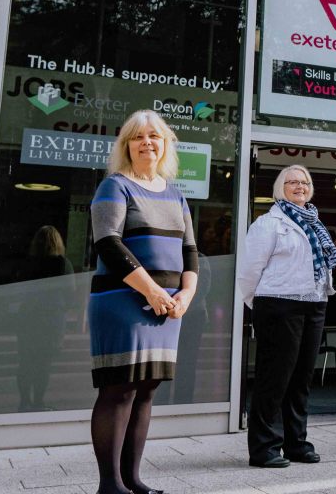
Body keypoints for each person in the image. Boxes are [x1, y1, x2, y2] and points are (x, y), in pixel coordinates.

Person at [89, 110, 198, 494]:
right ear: (126, 146)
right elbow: (107, 243)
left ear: (166, 144)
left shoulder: (176, 192)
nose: (147, 142)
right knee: (119, 390)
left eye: (155, 136)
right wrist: (151, 290)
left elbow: (190, 251)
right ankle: (110, 484)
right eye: (138, 137)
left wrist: (185, 294)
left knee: (146, 391)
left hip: (168, 306)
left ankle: (133, 479)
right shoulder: (114, 186)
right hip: (122, 301)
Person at [238, 164, 336, 468]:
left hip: (314, 303)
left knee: (301, 379)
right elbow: (248, 272)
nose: (300, 186)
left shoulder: (314, 221)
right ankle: (264, 448)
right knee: (275, 378)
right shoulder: (267, 224)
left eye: (305, 182)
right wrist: (257, 305)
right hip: (278, 305)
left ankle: (296, 443)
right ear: (280, 188)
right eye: (292, 182)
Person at [16, 225, 74, 411]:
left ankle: (24, 401)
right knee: (44, 363)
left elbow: (19, 289)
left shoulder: (28, 263)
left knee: (25, 361)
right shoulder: (63, 264)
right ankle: (39, 402)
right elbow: (70, 292)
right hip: (52, 318)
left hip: (29, 317)